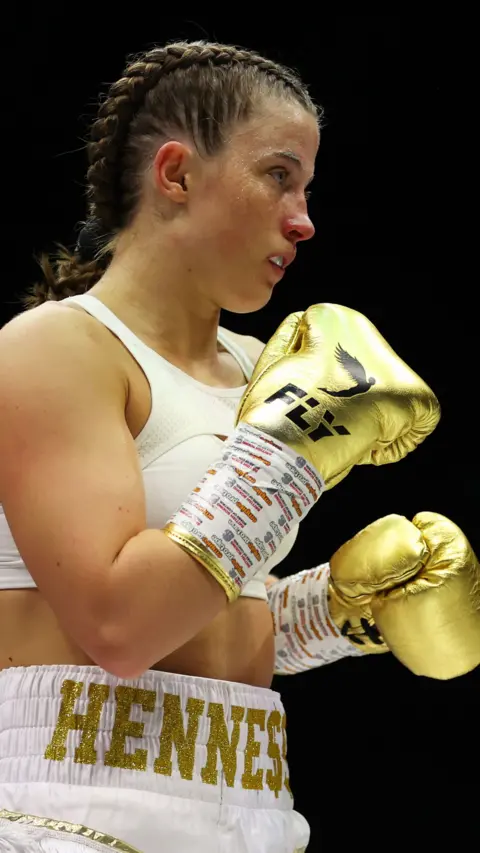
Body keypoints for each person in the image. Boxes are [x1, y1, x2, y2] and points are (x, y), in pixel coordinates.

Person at [0, 38, 475, 853]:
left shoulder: (264, 368)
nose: (304, 217)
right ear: (177, 174)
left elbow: (208, 612)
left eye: (309, 186)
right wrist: (294, 453)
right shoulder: (52, 348)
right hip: (74, 804)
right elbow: (118, 627)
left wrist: (339, 609)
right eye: (278, 175)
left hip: (252, 804)